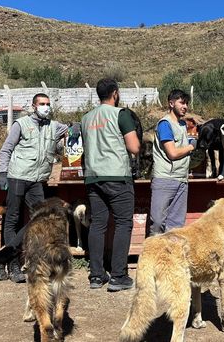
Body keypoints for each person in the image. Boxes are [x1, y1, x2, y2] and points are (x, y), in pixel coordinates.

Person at [0, 93, 69, 283]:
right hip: (18, 176)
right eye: (42, 104)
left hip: (38, 180)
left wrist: (75, 130)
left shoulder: (54, 126)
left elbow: (69, 134)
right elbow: (6, 148)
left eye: (48, 104)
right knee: (13, 218)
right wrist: (2, 173)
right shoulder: (21, 124)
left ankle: (1, 258)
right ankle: (14, 264)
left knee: (39, 219)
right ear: (34, 106)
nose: (46, 107)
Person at [81, 78, 140, 291]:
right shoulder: (121, 114)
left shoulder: (86, 118)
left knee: (98, 224)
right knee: (123, 223)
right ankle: (118, 276)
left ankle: (96, 275)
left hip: (93, 177)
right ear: (115, 93)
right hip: (117, 175)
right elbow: (134, 147)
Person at [149, 89, 196, 236]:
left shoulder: (183, 125)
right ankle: (155, 255)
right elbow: (173, 153)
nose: (185, 106)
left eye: (186, 103)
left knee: (176, 225)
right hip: (165, 178)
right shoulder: (165, 124)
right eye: (181, 102)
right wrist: (191, 147)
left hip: (181, 179)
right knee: (157, 222)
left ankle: (172, 257)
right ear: (171, 103)